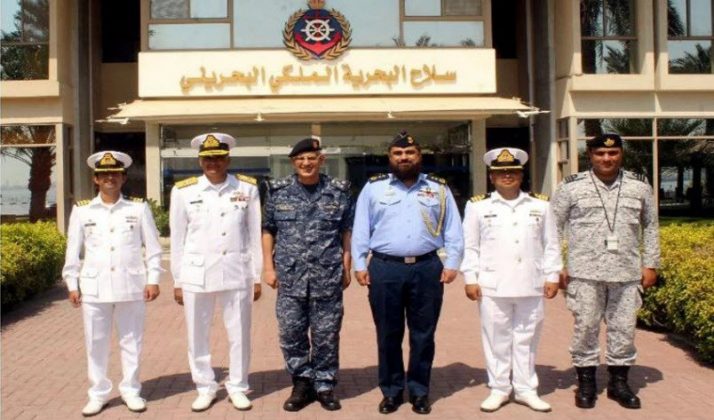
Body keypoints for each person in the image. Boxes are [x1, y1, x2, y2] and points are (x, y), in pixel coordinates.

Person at [351, 130, 464, 415]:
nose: (404, 157)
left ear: (419, 156)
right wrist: (360, 264)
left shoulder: (439, 188)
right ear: (390, 157)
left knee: (423, 334)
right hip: (385, 268)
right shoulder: (373, 188)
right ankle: (390, 391)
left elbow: (453, 229)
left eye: (409, 153)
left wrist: (452, 263)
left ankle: (419, 391)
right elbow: (361, 228)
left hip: (427, 268)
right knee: (388, 333)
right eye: (398, 153)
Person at [551, 134, 660, 410]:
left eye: (612, 154)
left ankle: (619, 383)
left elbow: (651, 226)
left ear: (621, 154)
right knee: (585, 327)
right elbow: (552, 228)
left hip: (626, 272)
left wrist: (651, 264)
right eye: (600, 153)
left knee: (623, 329)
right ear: (590, 155)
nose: (607, 159)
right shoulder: (570, 187)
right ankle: (586, 381)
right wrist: (555, 267)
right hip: (584, 272)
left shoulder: (639, 186)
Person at [460, 147, 561, 413]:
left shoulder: (540, 204)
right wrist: (470, 277)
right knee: (496, 338)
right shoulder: (478, 205)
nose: (507, 176)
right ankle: (500, 388)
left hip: (531, 282)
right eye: (501, 172)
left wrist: (552, 275)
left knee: (527, 338)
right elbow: (470, 247)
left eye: (513, 171)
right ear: (491, 177)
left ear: (521, 174)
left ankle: (527, 389)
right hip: (493, 284)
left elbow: (551, 243)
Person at [62, 151, 162, 416]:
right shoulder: (83, 210)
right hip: (94, 288)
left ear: (123, 178)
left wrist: (153, 280)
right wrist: (72, 283)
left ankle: (131, 390)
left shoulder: (138, 208)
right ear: (96, 179)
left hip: (131, 285)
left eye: (115, 174)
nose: (110, 178)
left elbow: (152, 248)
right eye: (104, 174)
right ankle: (98, 393)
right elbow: (73, 251)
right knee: (96, 343)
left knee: (132, 342)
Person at [170, 133, 263, 412]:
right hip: (197, 274)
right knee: (197, 333)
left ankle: (237, 385)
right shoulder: (184, 191)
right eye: (208, 158)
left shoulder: (247, 188)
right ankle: (205, 386)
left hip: (236, 272)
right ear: (200, 160)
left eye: (218, 158)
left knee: (239, 333)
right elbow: (178, 239)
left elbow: (253, 234)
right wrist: (177, 279)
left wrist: (256, 275)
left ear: (228, 160)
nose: (213, 162)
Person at [262, 136, 354, 412]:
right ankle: (302, 383)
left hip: (328, 275)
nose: (306, 163)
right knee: (291, 332)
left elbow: (347, 232)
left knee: (326, 333)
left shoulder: (339, 191)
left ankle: (325, 385)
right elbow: (268, 229)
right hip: (290, 278)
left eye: (311, 158)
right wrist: (268, 266)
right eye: (300, 159)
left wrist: (346, 266)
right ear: (293, 163)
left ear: (321, 160)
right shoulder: (277, 192)